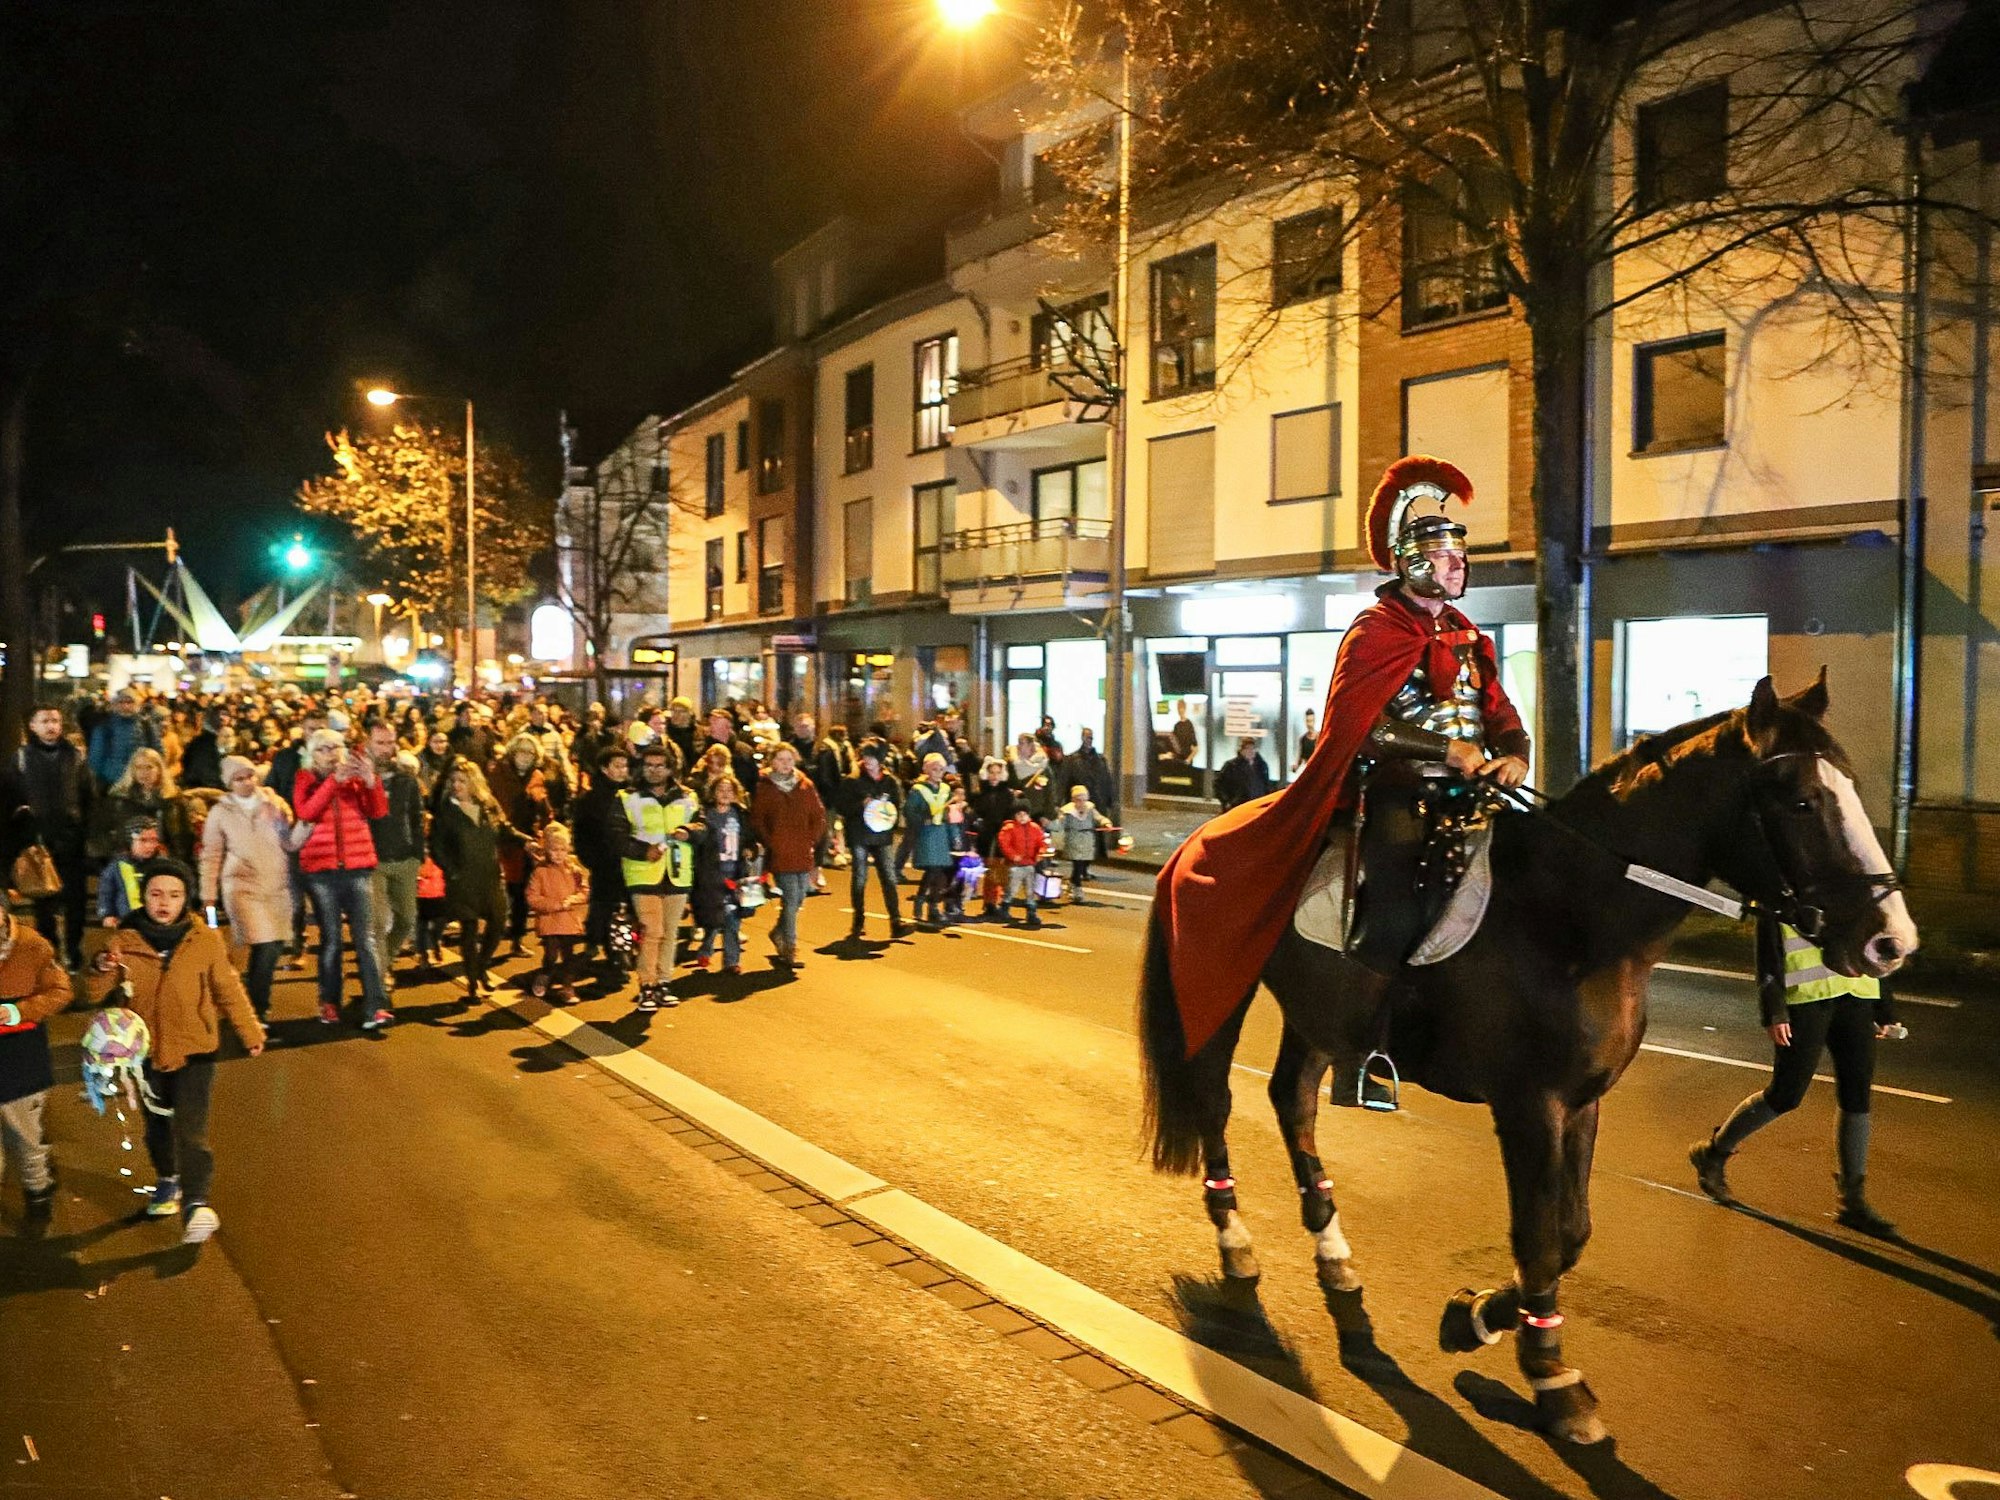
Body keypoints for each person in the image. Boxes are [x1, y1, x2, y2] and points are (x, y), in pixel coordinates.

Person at [1153, 456, 1531, 1109]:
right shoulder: (1374, 632)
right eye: (1444, 559)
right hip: (1398, 794)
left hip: (1472, 794)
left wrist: (1515, 752)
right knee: (1397, 900)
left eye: (1459, 559)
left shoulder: (1467, 635)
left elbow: (1499, 711)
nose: (1457, 567)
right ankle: (1366, 1051)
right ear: (1412, 563)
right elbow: (1361, 728)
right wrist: (1450, 747)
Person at [1689, 916, 1903, 1235]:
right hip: (1805, 999)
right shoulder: (1785, 888)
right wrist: (1774, 1011)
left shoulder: (1849, 884)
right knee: (1786, 1095)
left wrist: (1884, 1008)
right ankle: (1714, 1152)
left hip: (1857, 994)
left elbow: (1872, 944)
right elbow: (1769, 956)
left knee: (1857, 1095)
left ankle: (1853, 1203)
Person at [88, 859, 265, 1244]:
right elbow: (93, 992)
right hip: (145, 1056)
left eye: (173, 894)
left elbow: (227, 988)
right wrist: (103, 965)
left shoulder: (203, 938)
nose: (164, 902)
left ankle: (197, 1203)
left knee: (192, 1129)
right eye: (155, 894)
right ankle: (168, 1181)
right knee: (156, 1128)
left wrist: (248, 1030)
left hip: (196, 1050)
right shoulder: (124, 940)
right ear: (145, 897)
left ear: (185, 898)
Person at [292, 729, 393, 1030]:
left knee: (366, 939)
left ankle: (376, 1006)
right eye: (323, 749)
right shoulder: (305, 779)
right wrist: (333, 783)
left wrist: (371, 781)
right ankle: (329, 1001)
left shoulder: (354, 779)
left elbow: (377, 811)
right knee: (332, 939)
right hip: (321, 871)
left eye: (336, 747)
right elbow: (306, 811)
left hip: (358, 865)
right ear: (312, 753)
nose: (332, 753)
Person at [196, 756, 294, 1022]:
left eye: (249, 776)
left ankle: (250, 997)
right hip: (242, 885)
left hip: (277, 884)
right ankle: (257, 1008)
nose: (246, 782)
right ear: (229, 783)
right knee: (264, 943)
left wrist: (285, 814)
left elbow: (291, 836)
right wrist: (208, 898)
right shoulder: (220, 812)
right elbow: (211, 854)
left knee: (274, 945)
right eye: (239, 779)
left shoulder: (272, 801)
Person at [0, 909, 73, 1225]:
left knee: (27, 1140)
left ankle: (38, 1194)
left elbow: (61, 991)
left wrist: (17, 1012)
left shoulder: (32, 946)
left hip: (21, 1064)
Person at [621, 743, 698, 1011]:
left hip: (677, 873)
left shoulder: (688, 796)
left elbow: (703, 826)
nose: (654, 771)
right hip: (643, 872)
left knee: (670, 933)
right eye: (649, 765)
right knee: (652, 931)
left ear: (670, 768)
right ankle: (647, 986)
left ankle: (664, 982)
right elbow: (616, 836)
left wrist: (690, 831)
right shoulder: (628, 797)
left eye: (659, 766)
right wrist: (644, 851)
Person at [429, 759, 512, 1000]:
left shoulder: (488, 805)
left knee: (498, 923)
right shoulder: (446, 811)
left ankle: (481, 965)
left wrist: (527, 841)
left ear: (473, 782)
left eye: (462, 781)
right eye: (453, 781)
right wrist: (451, 870)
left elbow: (505, 829)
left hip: (489, 877)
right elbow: (437, 846)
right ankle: (473, 983)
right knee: (469, 929)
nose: (456, 785)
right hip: (462, 879)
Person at [750, 744, 825, 970]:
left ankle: (777, 932)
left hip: (802, 849)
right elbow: (758, 819)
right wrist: (770, 841)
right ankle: (790, 948)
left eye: (789, 759)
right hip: (780, 851)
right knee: (791, 898)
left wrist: (812, 839)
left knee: (800, 896)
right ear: (772, 761)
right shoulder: (764, 788)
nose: (786, 764)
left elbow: (818, 815)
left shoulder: (805, 785)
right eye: (781, 759)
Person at [365, 722, 425, 983]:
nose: (387, 749)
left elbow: (417, 817)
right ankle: (378, 985)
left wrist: (417, 855)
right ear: (368, 744)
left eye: (390, 743)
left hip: (404, 859)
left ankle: (384, 961)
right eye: (380, 743)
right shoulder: (360, 780)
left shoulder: (406, 780)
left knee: (406, 919)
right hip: (372, 862)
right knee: (377, 924)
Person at [486, 734, 553, 958]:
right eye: (521, 751)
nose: (525, 756)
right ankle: (489, 941)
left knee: (522, 894)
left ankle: (516, 939)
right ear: (513, 752)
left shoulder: (536, 776)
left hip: (527, 843)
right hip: (502, 841)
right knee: (500, 894)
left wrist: (545, 830)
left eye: (530, 752)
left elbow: (545, 810)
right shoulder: (499, 774)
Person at [835, 741, 907, 941]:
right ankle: (858, 921)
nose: (867, 761)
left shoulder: (889, 781)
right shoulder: (853, 780)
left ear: (881, 759)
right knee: (860, 877)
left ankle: (896, 921)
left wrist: (890, 825)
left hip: (882, 836)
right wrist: (861, 805)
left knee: (889, 877)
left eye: (872, 757)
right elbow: (841, 806)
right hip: (859, 834)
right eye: (865, 756)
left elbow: (895, 807)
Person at [572, 745, 634, 972]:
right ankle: (601, 945)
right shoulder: (590, 800)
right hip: (604, 863)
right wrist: (592, 859)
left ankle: (621, 950)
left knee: (625, 910)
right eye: (617, 766)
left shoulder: (631, 794)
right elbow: (581, 834)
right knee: (604, 908)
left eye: (625, 765)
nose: (622, 770)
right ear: (604, 769)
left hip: (629, 860)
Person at [687, 774, 757, 975]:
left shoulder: (741, 814)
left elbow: (752, 840)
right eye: (721, 790)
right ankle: (706, 948)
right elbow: (697, 840)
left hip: (736, 874)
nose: (725, 794)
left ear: (736, 794)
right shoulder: (704, 815)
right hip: (711, 875)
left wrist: (751, 851)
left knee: (733, 919)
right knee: (715, 918)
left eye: (730, 791)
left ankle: (731, 961)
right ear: (712, 793)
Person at [91, 746, 194, 865]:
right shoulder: (118, 799)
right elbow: (100, 834)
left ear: (159, 770)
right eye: (138, 767)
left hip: (166, 863)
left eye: (149, 767)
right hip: (127, 863)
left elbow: (185, 837)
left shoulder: (174, 800)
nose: (144, 772)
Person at [524, 823, 589, 1002]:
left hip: (569, 920)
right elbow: (532, 897)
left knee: (569, 957)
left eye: (562, 849)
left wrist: (573, 900)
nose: (559, 854)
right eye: (554, 850)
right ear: (547, 850)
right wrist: (555, 905)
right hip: (550, 920)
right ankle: (545, 975)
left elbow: (584, 890)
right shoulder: (540, 872)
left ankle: (567, 987)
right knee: (551, 954)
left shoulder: (574, 870)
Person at [903, 754, 957, 928]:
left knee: (939, 871)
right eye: (934, 769)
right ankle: (925, 902)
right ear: (926, 769)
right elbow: (909, 811)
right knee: (933, 869)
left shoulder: (945, 790)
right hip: (926, 833)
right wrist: (922, 818)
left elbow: (949, 814)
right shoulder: (918, 790)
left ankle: (931, 905)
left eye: (941, 769)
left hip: (940, 832)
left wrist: (953, 834)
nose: (938, 773)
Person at [969, 757, 1016, 921]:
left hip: (1003, 836)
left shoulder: (1008, 794)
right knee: (990, 870)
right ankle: (989, 903)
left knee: (1002, 871)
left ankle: (1002, 902)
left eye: (997, 772)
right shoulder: (981, 793)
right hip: (987, 836)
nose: (994, 776)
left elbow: (1011, 815)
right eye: (991, 772)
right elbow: (976, 812)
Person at [86, 687, 160, 789]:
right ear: (115, 704)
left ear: (137, 704)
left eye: (130, 702)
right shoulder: (104, 726)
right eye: (121, 702)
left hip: (141, 782)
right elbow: (95, 758)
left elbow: (158, 754)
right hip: (111, 783)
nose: (125, 706)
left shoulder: (146, 726)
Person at [96, 816, 163, 925]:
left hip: (156, 923)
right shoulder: (117, 867)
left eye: (153, 840)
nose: (149, 845)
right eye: (143, 840)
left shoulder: (162, 866)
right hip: (126, 922)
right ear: (130, 841)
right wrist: (107, 914)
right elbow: (106, 893)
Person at [1054, 784, 1114, 894]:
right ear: (1073, 800)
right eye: (1078, 800)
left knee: (1084, 862)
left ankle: (1072, 882)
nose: (1081, 802)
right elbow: (1059, 824)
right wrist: (1055, 824)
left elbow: (1099, 818)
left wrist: (1106, 823)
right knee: (1078, 863)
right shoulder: (1068, 812)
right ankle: (1077, 887)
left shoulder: (1090, 809)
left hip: (1087, 839)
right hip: (1074, 839)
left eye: (1083, 799)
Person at [997, 806, 1050, 929]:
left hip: (1030, 864)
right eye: (1019, 814)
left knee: (1030, 890)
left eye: (1024, 814)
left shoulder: (1035, 828)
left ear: (1028, 816)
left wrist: (1040, 853)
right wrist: (1013, 856)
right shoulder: (1009, 828)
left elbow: (1041, 842)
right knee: (1012, 888)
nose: (1022, 817)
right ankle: (1005, 907)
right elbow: (1004, 843)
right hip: (1015, 864)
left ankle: (1031, 912)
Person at [1215, 736, 1275, 812]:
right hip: (1238, 806)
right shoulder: (1231, 765)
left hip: (1258, 805)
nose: (1250, 751)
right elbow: (1218, 785)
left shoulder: (1262, 765)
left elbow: (1266, 785)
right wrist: (1226, 802)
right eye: (1247, 748)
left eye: (1253, 748)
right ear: (1241, 751)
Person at [180, 710, 228, 791]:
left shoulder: (195, 741)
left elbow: (184, 760)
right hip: (211, 786)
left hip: (192, 783)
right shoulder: (215, 742)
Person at [663, 697, 700, 774]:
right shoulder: (665, 731)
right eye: (673, 711)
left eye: (681, 711)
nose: (676, 715)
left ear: (689, 713)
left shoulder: (698, 733)